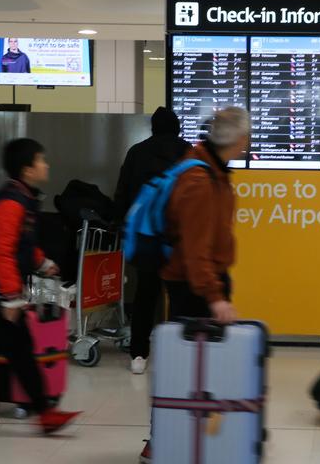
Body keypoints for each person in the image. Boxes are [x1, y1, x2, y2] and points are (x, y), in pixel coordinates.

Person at [139, 107, 249, 464]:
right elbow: (195, 250)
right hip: (193, 286)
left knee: (209, 367)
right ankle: (159, 440)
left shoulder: (212, 170)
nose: (248, 144)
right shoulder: (200, 180)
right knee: (183, 368)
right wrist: (215, 297)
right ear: (237, 140)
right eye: (246, 137)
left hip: (202, 280)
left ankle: (204, 436)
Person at [0, 138, 81, 434]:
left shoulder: (25, 198)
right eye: (41, 160)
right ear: (27, 169)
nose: (47, 165)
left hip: (6, 290)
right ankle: (46, 413)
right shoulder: (12, 202)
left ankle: (46, 413)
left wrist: (43, 263)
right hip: (2, 293)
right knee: (20, 349)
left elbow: (23, 244)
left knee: (21, 350)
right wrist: (9, 297)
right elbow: (2, 250)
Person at [113, 106, 189, 375]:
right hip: (177, 241)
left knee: (146, 296)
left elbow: (122, 195)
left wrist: (120, 223)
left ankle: (138, 355)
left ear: (153, 128)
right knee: (179, 298)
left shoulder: (137, 152)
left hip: (146, 239)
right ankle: (180, 354)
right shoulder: (187, 152)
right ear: (177, 127)